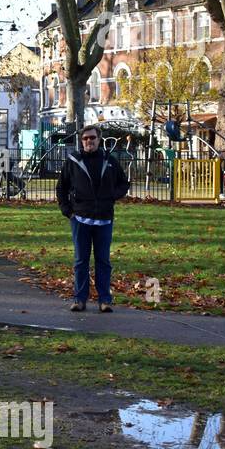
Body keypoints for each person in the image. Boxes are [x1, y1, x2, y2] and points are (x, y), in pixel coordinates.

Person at [56, 125, 129, 312]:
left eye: (92, 138)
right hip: (80, 218)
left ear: (99, 139)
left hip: (104, 219)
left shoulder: (109, 160)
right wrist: (67, 210)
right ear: (82, 141)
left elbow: (124, 183)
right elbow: (61, 187)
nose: (89, 141)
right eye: (85, 138)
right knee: (81, 261)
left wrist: (112, 195)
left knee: (103, 261)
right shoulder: (73, 161)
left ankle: (105, 300)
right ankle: (79, 299)